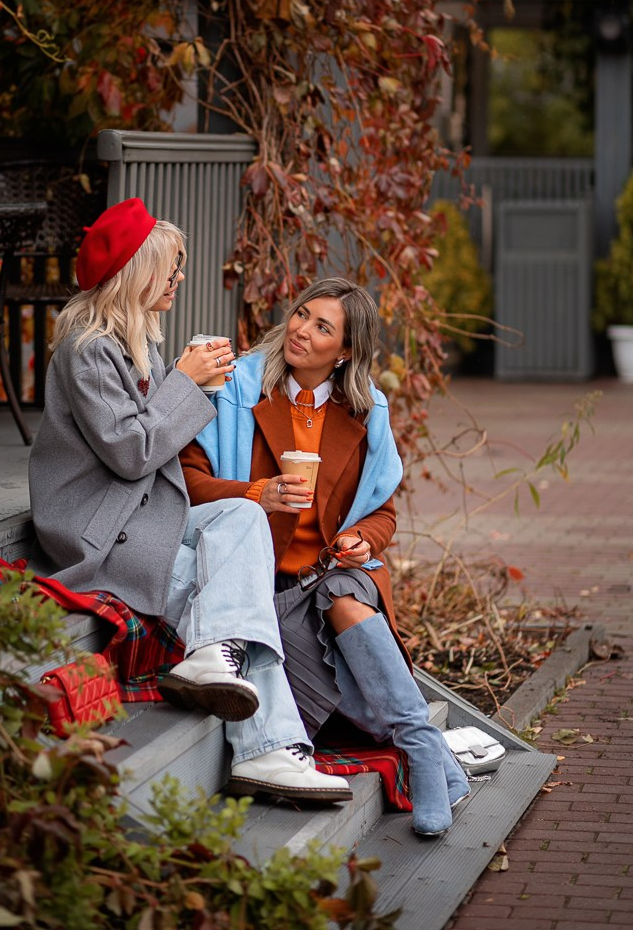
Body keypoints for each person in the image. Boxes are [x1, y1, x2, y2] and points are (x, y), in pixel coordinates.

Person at [28, 198, 350, 804]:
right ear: (140, 272)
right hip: (99, 532)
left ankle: (213, 662)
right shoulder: (86, 349)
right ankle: (270, 751)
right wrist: (186, 382)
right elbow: (131, 450)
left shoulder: (130, 345)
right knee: (234, 603)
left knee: (245, 513)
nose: (179, 280)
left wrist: (184, 384)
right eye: (172, 269)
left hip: (140, 516)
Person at [180, 277, 470, 836]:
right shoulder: (237, 389)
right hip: (269, 591)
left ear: (346, 352)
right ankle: (434, 757)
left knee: (344, 589)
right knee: (342, 701)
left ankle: (419, 742)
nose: (300, 331)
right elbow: (187, 483)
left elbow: (382, 513)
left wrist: (367, 539)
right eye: (301, 315)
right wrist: (254, 493)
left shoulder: (366, 412)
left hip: (332, 577)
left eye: (322, 327)